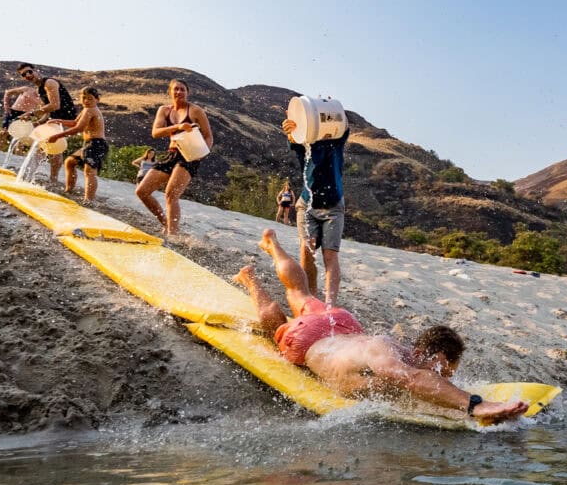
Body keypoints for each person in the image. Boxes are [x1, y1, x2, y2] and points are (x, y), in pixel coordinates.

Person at [234, 228, 529, 424]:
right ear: (423, 353)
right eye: (440, 370)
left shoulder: (392, 351)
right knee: (277, 323)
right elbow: (411, 379)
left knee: (301, 293)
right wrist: (476, 405)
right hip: (308, 339)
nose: (440, 377)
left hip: (342, 325)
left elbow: (423, 381)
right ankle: (250, 280)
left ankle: (272, 244)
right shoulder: (388, 353)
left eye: (446, 375)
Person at [284, 113, 349, 306]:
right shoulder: (304, 143)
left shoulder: (335, 141)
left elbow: (343, 125)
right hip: (307, 205)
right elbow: (292, 138)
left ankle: (330, 304)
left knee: (330, 255)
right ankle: (310, 298)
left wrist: (330, 113)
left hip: (333, 208)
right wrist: (291, 125)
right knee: (306, 250)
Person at [136, 78, 213, 236]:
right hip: (171, 153)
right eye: (176, 89)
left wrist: (200, 155)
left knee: (171, 194)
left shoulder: (195, 111)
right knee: (142, 191)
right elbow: (155, 132)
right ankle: (166, 222)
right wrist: (178, 126)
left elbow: (208, 136)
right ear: (169, 92)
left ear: (187, 92)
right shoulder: (164, 110)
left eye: (182, 89)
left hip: (189, 156)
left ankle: (173, 235)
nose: (179, 92)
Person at [17, 63, 78, 182]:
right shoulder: (39, 89)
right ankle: (30, 177)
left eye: (29, 71)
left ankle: (52, 180)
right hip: (54, 120)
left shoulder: (49, 83)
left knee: (54, 149)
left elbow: (55, 105)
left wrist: (31, 114)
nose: (28, 75)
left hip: (67, 120)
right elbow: (48, 111)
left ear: (36, 71)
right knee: (42, 146)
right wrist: (38, 122)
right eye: (24, 74)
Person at [46, 86, 107, 201]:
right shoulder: (86, 110)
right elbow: (75, 123)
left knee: (89, 171)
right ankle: (69, 190)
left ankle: (88, 201)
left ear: (97, 100)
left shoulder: (90, 110)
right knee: (70, 162)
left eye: (90, 98)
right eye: (84, 98)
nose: (86, 101)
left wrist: (57, 136)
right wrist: (59, 121)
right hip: (90, 144)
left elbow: (79, 128)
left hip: (96, 144)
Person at [0, 83, 42, 152]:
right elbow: (8, 92)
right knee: (3, 132)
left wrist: (37, 119)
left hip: (26, 116)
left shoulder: (42, 98)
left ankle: (18, 156)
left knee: (21, 138)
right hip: (13, 112)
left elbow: (42, 109)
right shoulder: (26, 89)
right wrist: (6, 105)